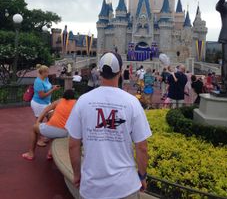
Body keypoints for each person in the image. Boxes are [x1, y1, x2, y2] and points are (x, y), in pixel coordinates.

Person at [66, 52, 152, 199]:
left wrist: (77, 174)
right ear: (120, 71)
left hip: (91, 188)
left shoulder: (83, 101)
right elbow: (142, 147)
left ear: (99, 70)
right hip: (125, 187)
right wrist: (142, 176)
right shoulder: (132, 103)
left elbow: (73, 145)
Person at [22, 89, 76, 161]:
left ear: (64, 95)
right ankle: (50, 152)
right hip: (66, 133)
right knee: (52, 123)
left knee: (34, 128)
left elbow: (45, 110)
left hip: (53, 129)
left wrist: (38, 122)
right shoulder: (76, 103)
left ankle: (30, 153)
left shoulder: (59, 101)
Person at [31, 65, 60, 146]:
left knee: (51, 118)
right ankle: (39, 139)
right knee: (39, 121)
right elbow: (42, 95)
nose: (48, 73)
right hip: (38, 104)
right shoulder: (38, 82)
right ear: (42, 72)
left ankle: (47, 135)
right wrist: (53, 90)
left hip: (47, 103)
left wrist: (53, 87)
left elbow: (49, 86)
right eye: (47, 72)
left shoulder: (46, 79)